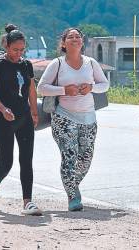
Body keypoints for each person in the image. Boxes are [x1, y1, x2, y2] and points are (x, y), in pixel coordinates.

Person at [37, 28, 109, 211]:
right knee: (69, 156)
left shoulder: (91, 63)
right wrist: (63, 90)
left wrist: (91, 87)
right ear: (63, 43)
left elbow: (105, 85)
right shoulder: (57, 64)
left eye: (78, 36)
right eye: (71, 37)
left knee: (85, 159)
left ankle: (72, 184)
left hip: (88, 118)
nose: (75, 39)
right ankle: (73, 196)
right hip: (63, 117)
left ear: (82, 42)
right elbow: (42, 88)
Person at [0, 24, 42, 215]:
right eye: (15, 50)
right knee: (6, 163)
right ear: (6, 47)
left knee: (27, 160)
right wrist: (2, 109)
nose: (19, 53)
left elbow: (31, 90)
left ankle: (28, 202)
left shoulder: (26, 65)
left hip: (24, 118)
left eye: (22, 50)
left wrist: (34, 112)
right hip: (4, 119)